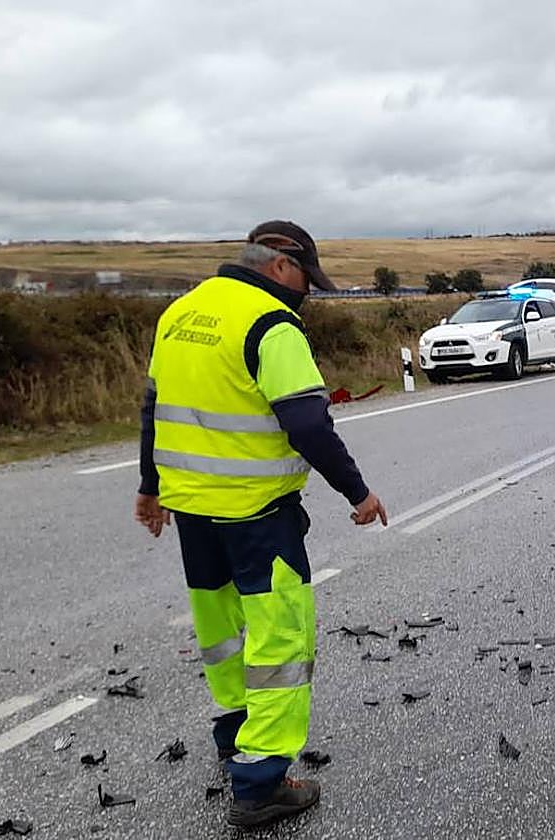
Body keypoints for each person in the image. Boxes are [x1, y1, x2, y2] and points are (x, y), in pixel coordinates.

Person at [134, 220, 388, 828]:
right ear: (280, 265)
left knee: (222, 632)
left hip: (194, 510)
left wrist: (150, 487)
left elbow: (153, 409)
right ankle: (262, 781)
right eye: (305, 279)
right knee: (280, 641)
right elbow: (307, 424)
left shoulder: (180, 314)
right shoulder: (272, 324)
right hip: (258, 514)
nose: (305, 292)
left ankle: (232, 737)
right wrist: (358, 491)